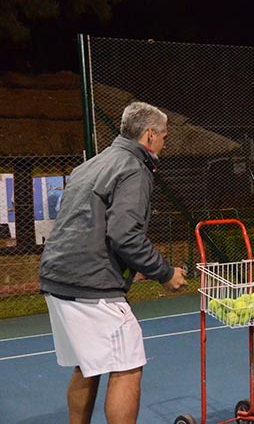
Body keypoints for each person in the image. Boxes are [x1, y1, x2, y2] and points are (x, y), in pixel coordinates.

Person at [39, 102, 188, 424]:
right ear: (149, 135)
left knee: (88, 365)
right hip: (91, 284)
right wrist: (165, 273)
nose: (164, 142)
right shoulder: (133, 168)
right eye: (164, 136)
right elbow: (125, 236)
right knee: (127, 365)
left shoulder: (92, 164)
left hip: (56, 277)